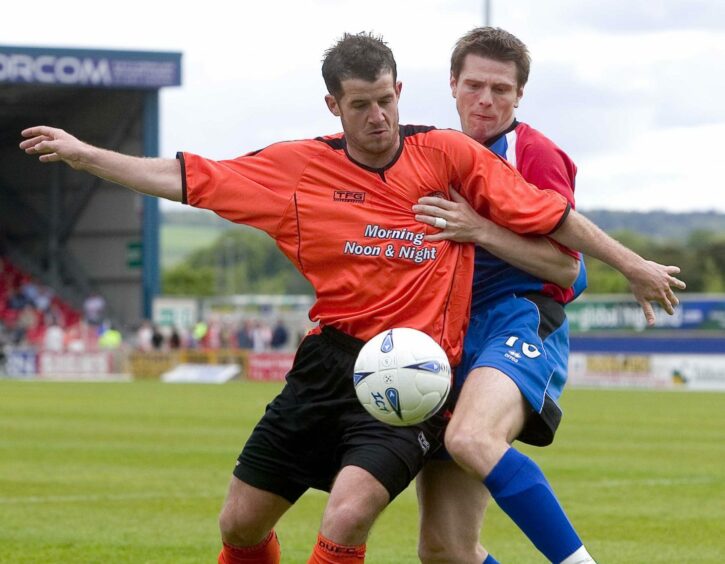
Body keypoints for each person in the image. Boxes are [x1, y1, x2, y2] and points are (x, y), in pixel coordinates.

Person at [19, 32, 683, 564]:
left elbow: (552, 227)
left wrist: (628, 262)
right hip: (327, 364)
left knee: (352, 510)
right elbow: (185, 176)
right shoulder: (297, 169)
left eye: (387, 100)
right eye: (361, 104)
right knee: (249, 527)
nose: (379, 116)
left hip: (416, 370)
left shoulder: (451, 154)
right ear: (334, 106)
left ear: (403, 92)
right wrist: (87, 155)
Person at [414, 27, 608, 563]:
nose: (486, 100)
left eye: (501, 89)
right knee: (445, 550)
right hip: (445, 336)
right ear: (452, 84)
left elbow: (570, 270)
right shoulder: (424, 153)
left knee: (473, 438)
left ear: (520, 94)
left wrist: (480, 230)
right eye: (474, 85)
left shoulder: (535, 153)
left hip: (518, 320)